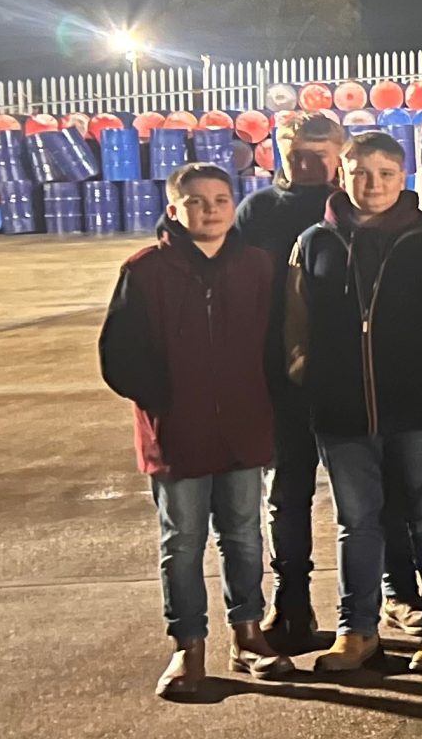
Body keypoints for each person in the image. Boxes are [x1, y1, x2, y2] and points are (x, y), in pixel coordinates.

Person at [101, 163, 292, 699]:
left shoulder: (259, 267)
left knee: (244, 536)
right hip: (177, 434)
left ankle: (248, 633)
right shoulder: (145, 272)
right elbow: (120, 355)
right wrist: (164, 403)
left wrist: (267, 402)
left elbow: (279, 343)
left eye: (220, 199)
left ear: (234, 206)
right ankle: (188, 646)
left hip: (244, 428)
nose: (210, 210)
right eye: (197, 201)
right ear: (174, 209)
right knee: (181, 543)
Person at [285, 132, 422, 672]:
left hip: (416, 408)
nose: (374, 185)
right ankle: (357, 629)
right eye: (362, 173)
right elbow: (296, 321)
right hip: (341, 414)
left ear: (403, 176)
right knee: (355, 521)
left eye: (386, 174)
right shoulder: (314, 241)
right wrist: (306, 372)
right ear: (342, 173)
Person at [234, 111, 358, 652]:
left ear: (340, 153)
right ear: (278, 152)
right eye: (294, 154)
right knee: (288, 495)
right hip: (277, 380)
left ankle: (375, 606)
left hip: (353, 379)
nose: (306, 165)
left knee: (365, 499)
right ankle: (294, 602)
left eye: (318, 155)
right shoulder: (257, 211)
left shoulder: (358, 208)